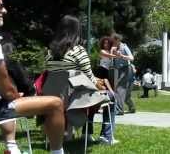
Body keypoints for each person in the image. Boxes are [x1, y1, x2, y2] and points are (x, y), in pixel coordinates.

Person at [0, 0, 65, 154]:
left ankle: (12, 147)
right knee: (55, 104)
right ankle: (57, 152)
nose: (4, 10)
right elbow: (7, 92)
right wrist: (16, 94)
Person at [48, 15, 118, 144]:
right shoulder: (78, 50)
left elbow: (50, 74)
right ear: (76, 31)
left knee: (91, 93)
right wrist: (102, 86)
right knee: (110, 96)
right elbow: (90, 78)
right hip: (75, 99)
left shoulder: (50, 52)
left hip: (54, 96)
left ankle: (87, 133)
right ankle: (106, 136)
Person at [111, 33, 135, 115]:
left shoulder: (124, 47)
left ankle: (120, 110)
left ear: (118, 40)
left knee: (119, 88)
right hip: (119, 70)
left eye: (113, 41)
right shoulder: (114, 48)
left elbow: (132, 58)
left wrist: (121, 56)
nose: (112, 42)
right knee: (125, 92)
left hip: (126, 68)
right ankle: (132, 107)